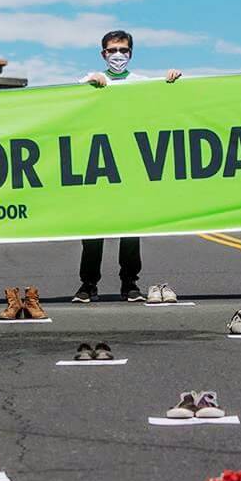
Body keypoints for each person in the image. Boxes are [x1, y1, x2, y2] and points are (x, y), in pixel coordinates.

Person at [72, 30, 182, 303]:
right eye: (112, 50)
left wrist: (173, 81)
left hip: (130, 163)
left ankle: (130, 283)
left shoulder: (141, 83)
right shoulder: (91, 80)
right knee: (93, 227)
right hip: (98, 163)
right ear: (103, 54)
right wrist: (89, 83)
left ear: (130, 53)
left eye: (123, 50)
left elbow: (168, 103)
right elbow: (70, 104)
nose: (118, 55)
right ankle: (88, 284)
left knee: (131, 227)